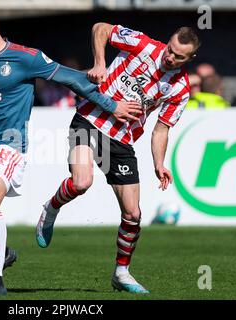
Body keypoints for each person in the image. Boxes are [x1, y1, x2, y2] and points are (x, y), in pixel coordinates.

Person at [0, 7, 142, 296]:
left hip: (8, 145)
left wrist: (113, 106)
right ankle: (4, 253)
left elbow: (73, 79)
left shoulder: (27, 58)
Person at [36, 23, 201, 294]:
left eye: (179, 56)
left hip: (121, 139)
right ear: (168, 41)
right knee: (81, 182)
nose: (170, 57)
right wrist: (100, 63)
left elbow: (162, 129)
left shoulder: (180, 88)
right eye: (170, 50)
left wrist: (159, 163)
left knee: (133, 213)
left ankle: (121, 273)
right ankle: (50, 208)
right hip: (89, 119)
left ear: (189, 59)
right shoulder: (142, 44)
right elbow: (100, 28)